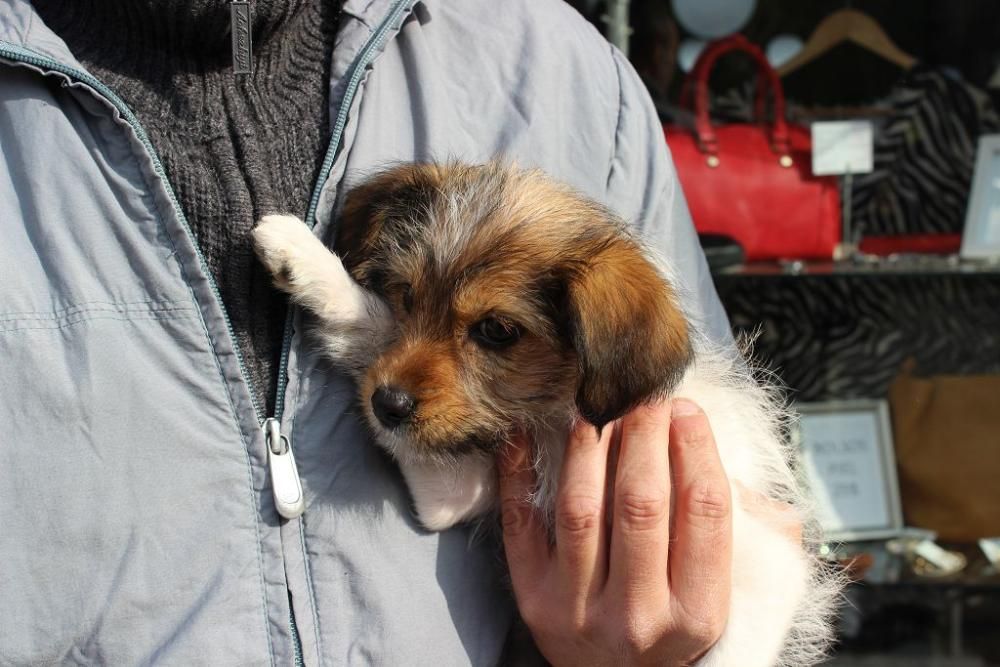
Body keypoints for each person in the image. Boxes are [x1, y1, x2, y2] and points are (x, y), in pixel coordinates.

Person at [0, 0, 801, 664]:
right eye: (405, 301)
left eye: (493, 331)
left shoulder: (565, 72)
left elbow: (733, 536)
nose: (401, 370)